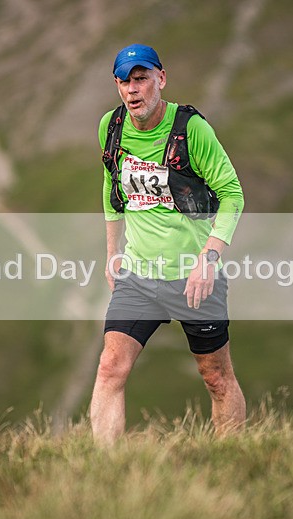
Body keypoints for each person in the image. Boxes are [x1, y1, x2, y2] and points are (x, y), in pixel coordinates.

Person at [90, 44, 246, 445]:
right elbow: (112, 188)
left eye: (140, 78)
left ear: (161, 78)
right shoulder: (111, 125)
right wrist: (112, 254)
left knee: (216, 377)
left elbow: (232, 194)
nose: (132, 89)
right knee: (110, 367)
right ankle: (103, 473)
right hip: (139, 276)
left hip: (194, 277)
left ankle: (232, 462)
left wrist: (208, 258)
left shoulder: (191, 129)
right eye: (124, 81)